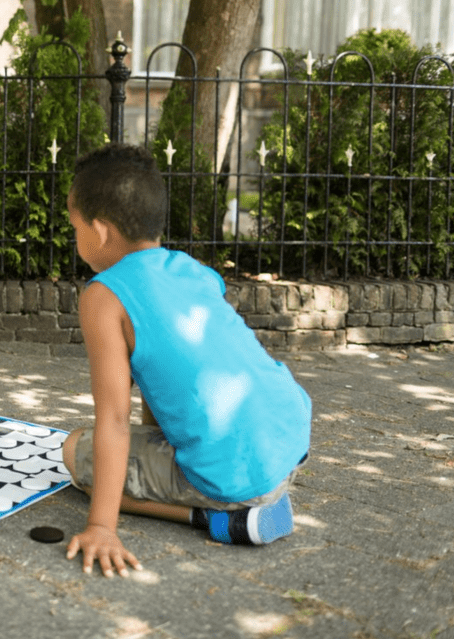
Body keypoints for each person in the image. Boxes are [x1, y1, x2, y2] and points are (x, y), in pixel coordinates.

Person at [61, 143, 311, 579]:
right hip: (289, 439)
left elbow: (114, 421)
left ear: (99, 231)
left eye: (75, 226)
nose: (75, 236)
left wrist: (101, 526)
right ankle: (243, 498)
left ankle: (225, 519)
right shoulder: (191, 269)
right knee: (150, 440)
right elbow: (172, 371)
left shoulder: (104, 295)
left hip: (234, 478)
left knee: (73, 454)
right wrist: (157, 441)